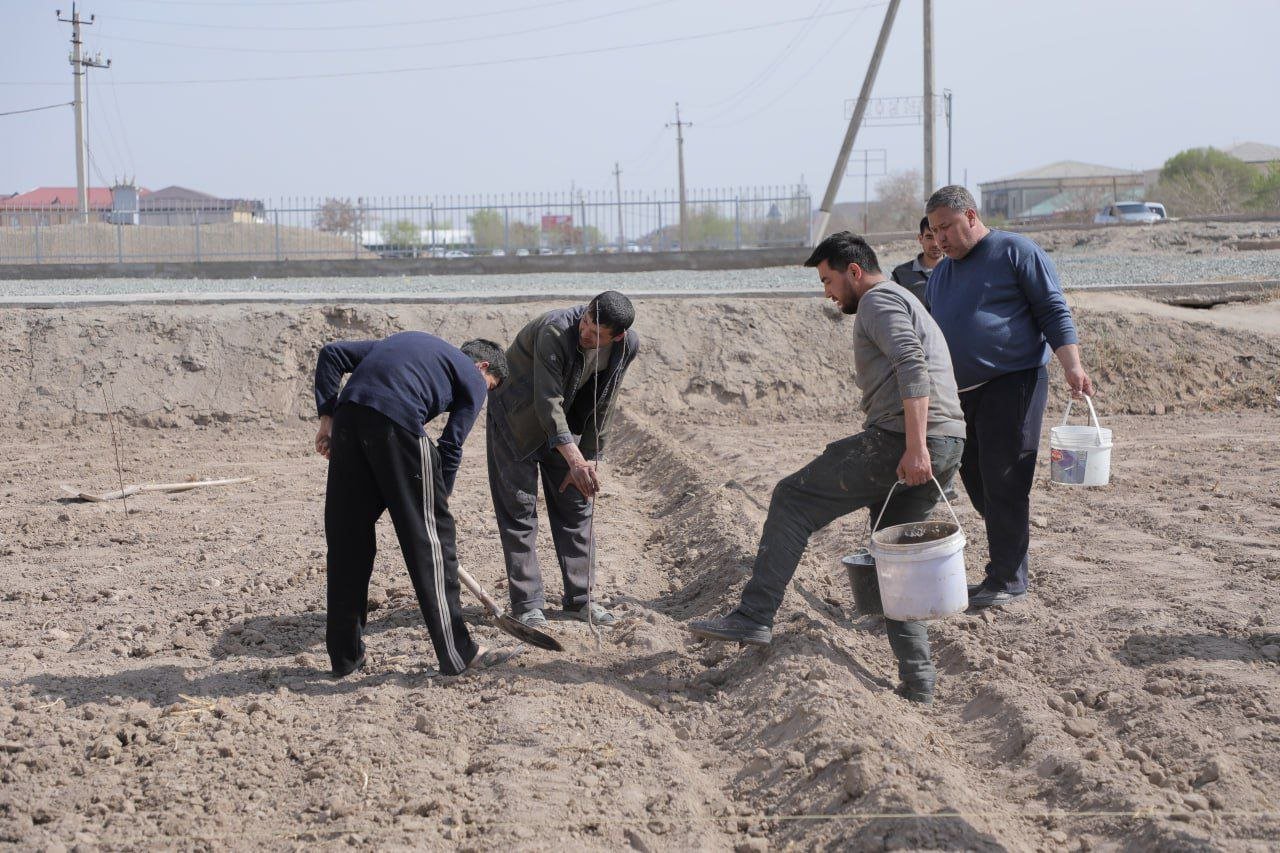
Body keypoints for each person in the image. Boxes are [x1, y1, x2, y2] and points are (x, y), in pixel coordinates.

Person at [688, 232, 965, 704]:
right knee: (894, 563)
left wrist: (916, 447)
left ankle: (754, 616)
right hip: (943, 440)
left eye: (829, 280)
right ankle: (919, 682)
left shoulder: (878, 302)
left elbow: (912, 366)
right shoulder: (905, 299)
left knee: (792, 499)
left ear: (854, 271)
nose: (828, 293)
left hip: (905, 441)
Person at [925, 185, 1094, 609]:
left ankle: (1007, 578)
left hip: (1013, 381)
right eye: (933, 230)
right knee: (977, 480)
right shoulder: (943, 274)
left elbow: (1053, 309)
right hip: (962, 394)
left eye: (946, 226)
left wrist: (1072, 365)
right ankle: (1006, 560)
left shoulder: (1015, 251)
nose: (940, 237)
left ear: (970, 216)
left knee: (1004, 479)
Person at [314, 332, 513, 678]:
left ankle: (345, 659)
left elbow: (331, 355)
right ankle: (459, 653)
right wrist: (435, 508)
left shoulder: (405, 342)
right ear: (482, 366)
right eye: (491, 385)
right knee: (432, 544)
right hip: (396, 421)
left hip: (348, 417)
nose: (486, 392)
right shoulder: (473, 377)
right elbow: (451, 446)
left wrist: (327, 419)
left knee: (348, 543)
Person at [486, 291, 640, 630]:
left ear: (617, 336)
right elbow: (546, 403)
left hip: (564, 422)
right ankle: (527, 605)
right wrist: (574, 458)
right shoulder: (555, 331)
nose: (585, 332)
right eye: (585, 320)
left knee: (577, 503)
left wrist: (589, 460)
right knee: (519, 507)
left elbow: (605, 402)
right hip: (517, 417)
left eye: (596, 333)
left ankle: (580, 600)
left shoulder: (627, 347)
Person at [890, 216, 945, 306]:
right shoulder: (900, 275)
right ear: (920, 238)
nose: (935, 244)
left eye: (937, 236)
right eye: (929, 237)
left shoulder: (957, 270)